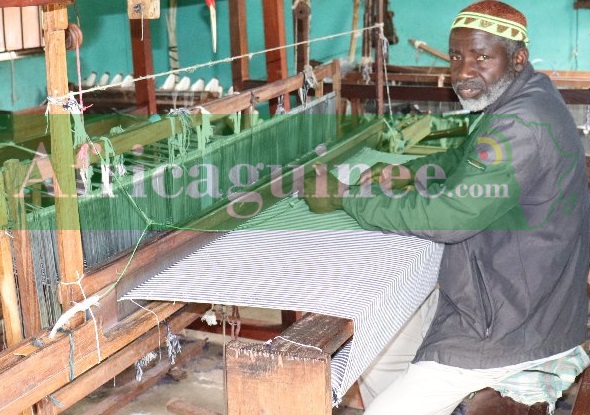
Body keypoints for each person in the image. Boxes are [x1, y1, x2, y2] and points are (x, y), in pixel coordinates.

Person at [303, 1, 590, 414]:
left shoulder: (519, 123)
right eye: (457, 56)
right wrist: (410, 173)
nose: (464, 71)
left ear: (517, 57)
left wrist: (344, 196)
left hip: (512, 323)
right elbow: (466, 158)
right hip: (521, 291)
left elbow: (448, 216)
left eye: (481, 56)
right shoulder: (525, 97)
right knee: (382, 338)